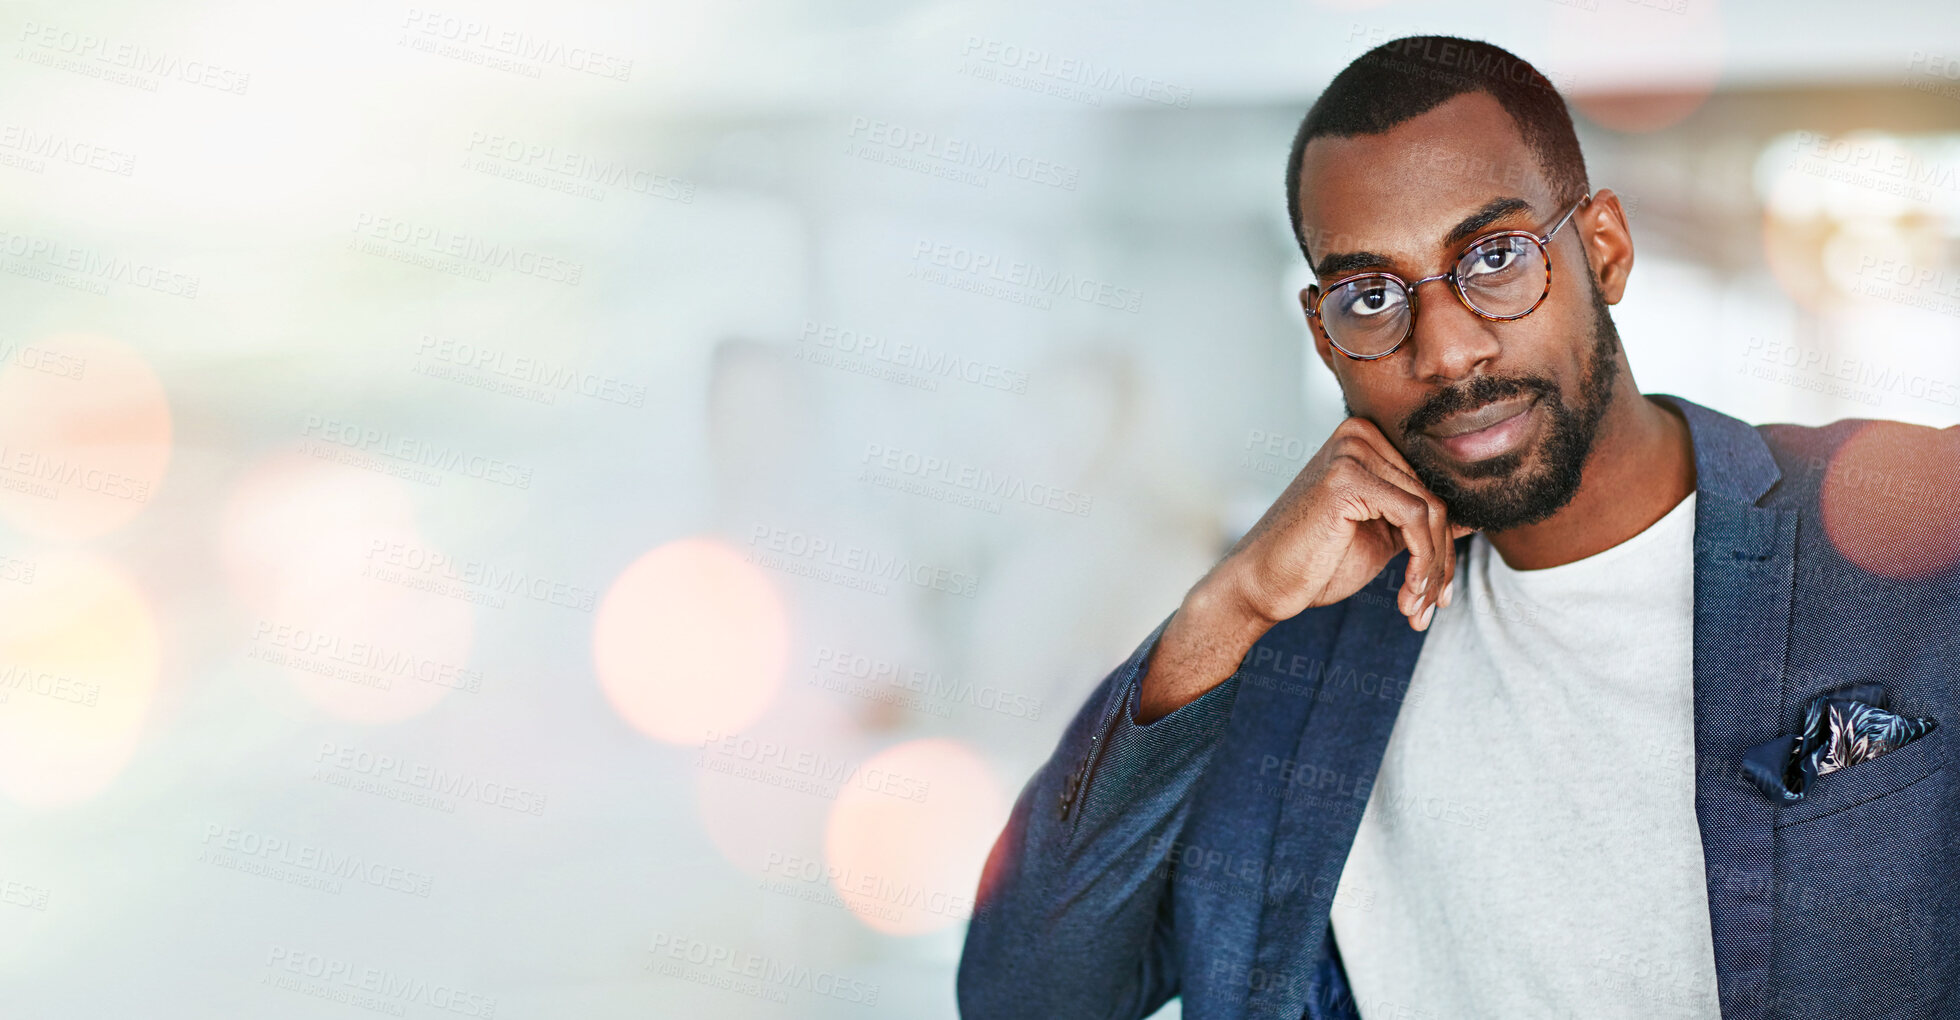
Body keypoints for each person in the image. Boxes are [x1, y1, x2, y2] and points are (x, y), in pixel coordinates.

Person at [956, 35, 1959, 1020]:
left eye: (1493, 257)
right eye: (1370, 294)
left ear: (1602, 248)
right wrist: (1232, 604)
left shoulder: (1910, 528)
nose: (1443, 346)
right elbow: (1025, 994)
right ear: (1323, 334)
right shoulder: (1286, 647)